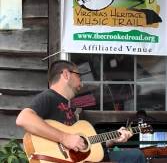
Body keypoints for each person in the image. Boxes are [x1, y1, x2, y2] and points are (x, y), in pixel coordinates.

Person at [16, 60, 145, 163]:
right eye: (79, 76)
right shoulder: (49, 96)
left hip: (82, 159)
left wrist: (114, 139)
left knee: (134, 155)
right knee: (136, 156)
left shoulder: (70, 107)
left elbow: (84, 144)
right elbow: (23, 118)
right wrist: (65, 138)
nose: (82, 84)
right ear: (66, 74)